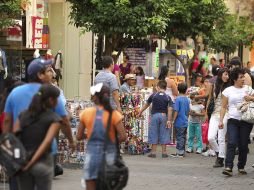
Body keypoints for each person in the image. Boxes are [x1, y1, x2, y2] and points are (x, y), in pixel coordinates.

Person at [2, 58, 75, 190]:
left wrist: (8, 146)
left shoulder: (15, 93)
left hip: (20, 150)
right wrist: (71, 141)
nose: (52, 73)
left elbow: (7, 121)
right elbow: (64, 121)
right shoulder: (51, 94)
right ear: (39, 75)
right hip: (45, 154)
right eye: (48, 71)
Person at [77, 83, 126, 190]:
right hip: (110, 157)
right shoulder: (114, 114)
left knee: (90, 180)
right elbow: (123, 136)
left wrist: (90, 135)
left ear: (95, 97)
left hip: (92, 156)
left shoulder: (86, 113)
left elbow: (78, 136)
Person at [13, 84, 62, 190]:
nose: (58, 102)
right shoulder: (54, 119)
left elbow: (14, 137)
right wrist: (32, 162)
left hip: (23, 164)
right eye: (57, 99)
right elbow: (47, 141)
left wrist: (20, 160)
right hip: (43, 163)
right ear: (50, 100)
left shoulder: (22, 115)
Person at [219, 67, 254, 176]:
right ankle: (228, 166)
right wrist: (221, 120)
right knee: (231, 142)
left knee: (243, 145)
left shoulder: (248, 89)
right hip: (232, 120)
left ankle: (241, 166)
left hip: (246, 121)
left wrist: (251, 98)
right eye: (241, 77)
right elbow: (224, 107)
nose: (243, 79)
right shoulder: (227, 91)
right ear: (234, 79)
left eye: (243, 76)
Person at [138, 80, 173, 158]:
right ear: (166, 88)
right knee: (164, 133)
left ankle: (153, 152)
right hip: (164, 116)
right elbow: (170, 109)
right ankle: (164, 152)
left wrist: (140, 111)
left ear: (157, 87)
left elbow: (147, 104)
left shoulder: (153, 95)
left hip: (154, 116)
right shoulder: (168, 97)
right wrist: (169, 120)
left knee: (154, 133)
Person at [207, 68, 230, 167]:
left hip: (225, 114)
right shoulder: (214, 85)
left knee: (221, 137)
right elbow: (210, 99)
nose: (227, 76)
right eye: (225, 74)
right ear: (220, 75)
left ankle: (220, 159)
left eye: (228, 75)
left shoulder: (229, 87)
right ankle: (219, 154)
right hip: (214, 114)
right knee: (211, 137)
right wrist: (206, 112)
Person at [170, 83, 190, 158]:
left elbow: (176, 111)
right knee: (183, 137)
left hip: (179, 121)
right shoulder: (187, 99)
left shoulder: (178, 99)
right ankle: (181, 151)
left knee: (179, 137)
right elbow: (188, 111)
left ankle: (180, 152)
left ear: (178, 89)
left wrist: (173, 120)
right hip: (185, 121)